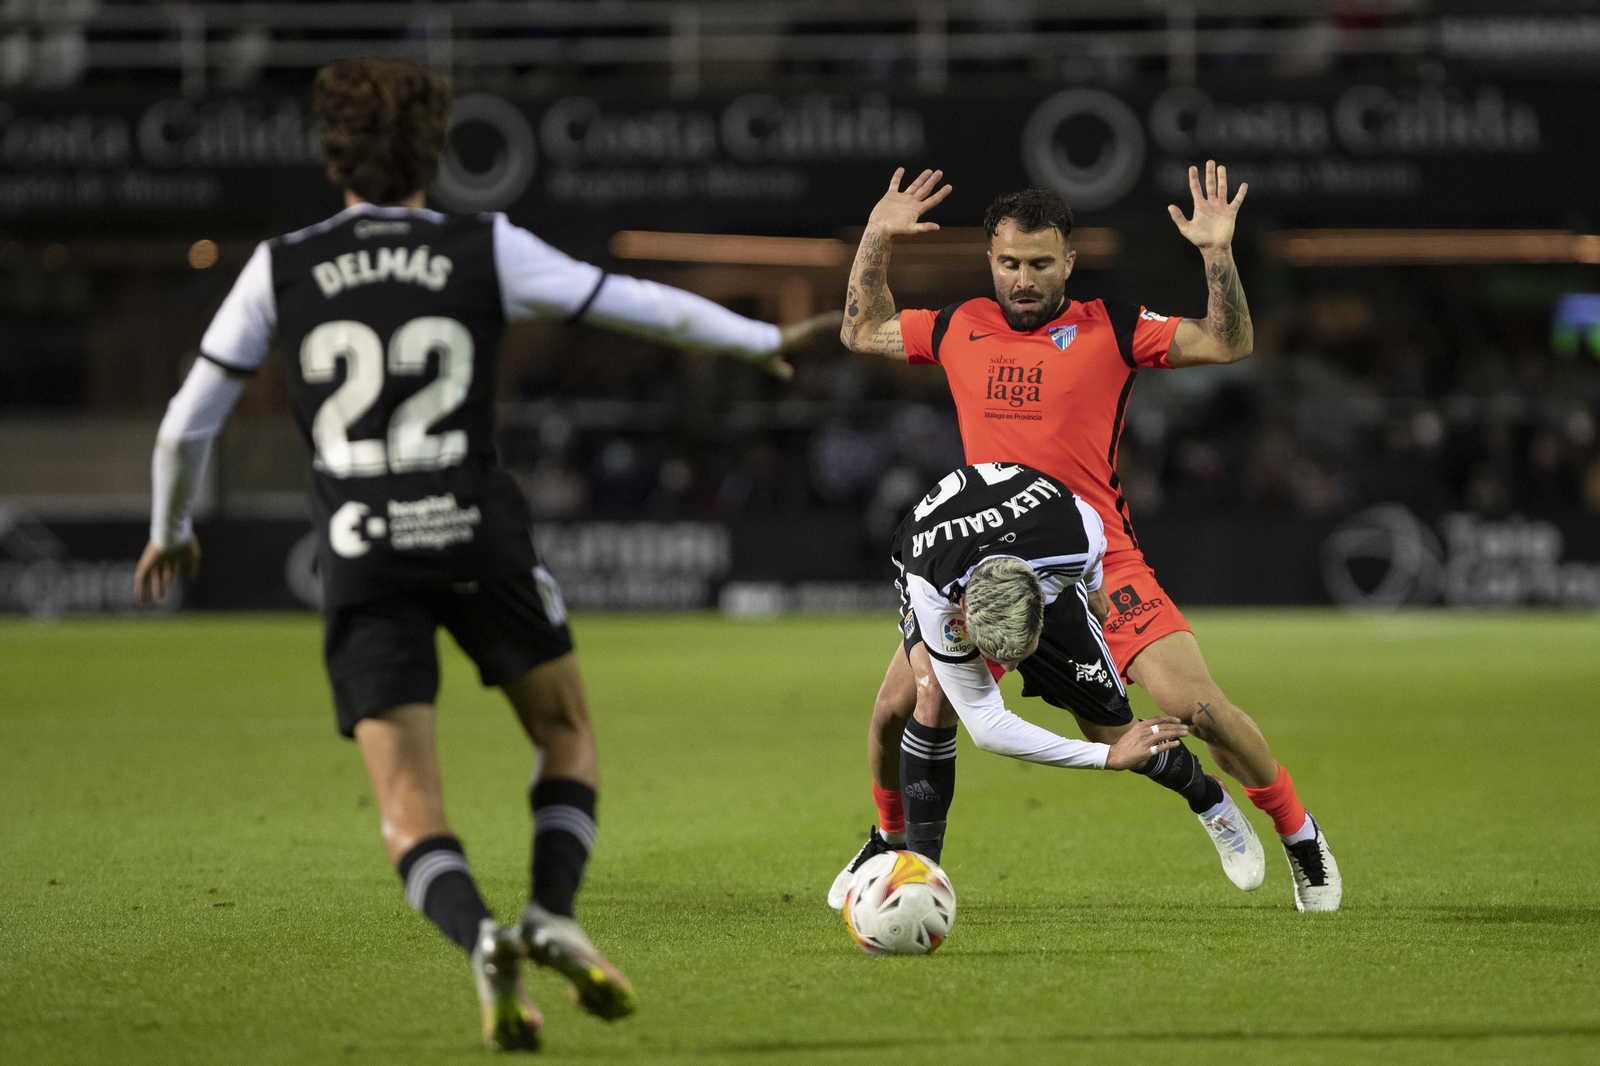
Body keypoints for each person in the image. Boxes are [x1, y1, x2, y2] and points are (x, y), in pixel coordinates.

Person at [133, 57, 838, 1051]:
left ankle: (479, 939)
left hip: (361, 551)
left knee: (407, 806)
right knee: (565, 732)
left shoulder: (278, 265)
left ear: (332, 156)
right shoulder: (483, 244)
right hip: (475, 532)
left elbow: (180, 431)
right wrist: (750, 338)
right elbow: (635, 301)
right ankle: (550, 909)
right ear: (435, 153)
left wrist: (171, 531)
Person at [833, 164, 1340, 913]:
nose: (1025, 278)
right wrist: (876, 234)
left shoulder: (1114, 327)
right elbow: (858, 328)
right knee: (898, 708)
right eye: (1010, 262)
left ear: (1069, 261)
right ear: (991, 261)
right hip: (994, 570)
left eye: (1042, 263)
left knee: (1197, 711)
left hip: (1099, 560)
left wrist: (1216, 253)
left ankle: (1298, 834)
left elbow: (1229, 342)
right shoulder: (958, 325)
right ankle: (891, 845)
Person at [860, 460, 1195, 866]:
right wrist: (1109, 759)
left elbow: (1093, 537)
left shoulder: (1075, 537)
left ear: (1043, 602)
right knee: (918, 703)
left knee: (1110, 728)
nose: (1013, 671)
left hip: (1025, 523)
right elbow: (986, 728)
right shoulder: (937, 591)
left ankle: (1209, 799)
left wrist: (1094, 587)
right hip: (938, 547)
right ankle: (906, 855)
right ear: (964, 615)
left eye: (1018, 657)